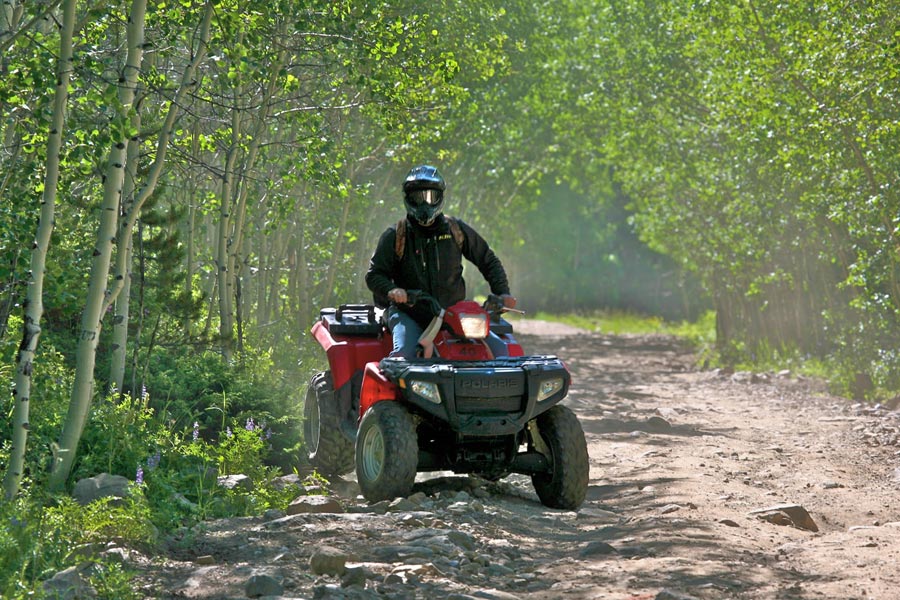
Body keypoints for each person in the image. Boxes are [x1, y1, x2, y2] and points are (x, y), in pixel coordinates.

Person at [366, 164, 517, 359]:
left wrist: (502, 292)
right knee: (404, 355)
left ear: (440, 198)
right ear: (408, 198)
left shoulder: (455, 229)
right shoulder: (396, 234)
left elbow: (488, 260)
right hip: (408, 313)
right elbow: (374, 275)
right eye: (418, 197)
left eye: (430, 197)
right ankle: (391, 376)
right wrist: (392, 290)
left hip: (453, 313)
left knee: (500, 351)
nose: (424, 203)